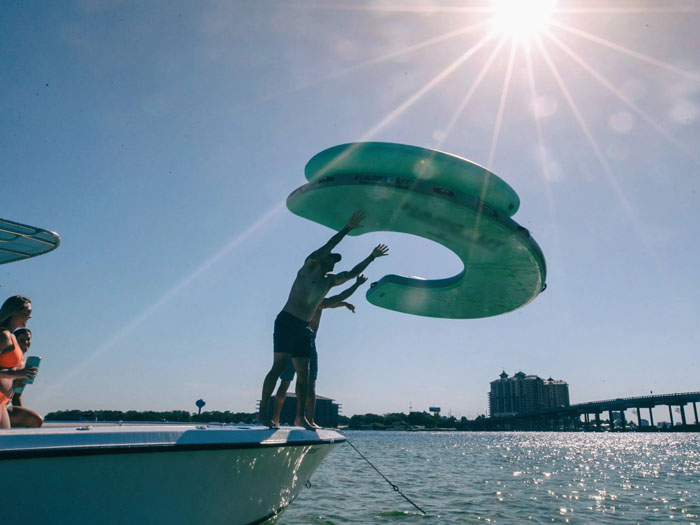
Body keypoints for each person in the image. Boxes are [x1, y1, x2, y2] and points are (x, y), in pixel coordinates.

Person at [258, 211, 388, 429]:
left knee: (305, 375)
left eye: (336, 262)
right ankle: (263, 413)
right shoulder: (308, 267)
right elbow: (327, 247)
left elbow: (351, 273)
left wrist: (372, 257)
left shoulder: (328, 281)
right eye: (332, 259)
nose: (334, 263)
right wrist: (347, 228)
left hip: (304, 328)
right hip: (287, 321)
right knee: (279, 366)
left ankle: (301, 417)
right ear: (322, 258)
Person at [272, 274, 367, 428]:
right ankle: (275, 418)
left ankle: (308, 419)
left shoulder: (321, 302)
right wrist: (349, 295)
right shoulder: (310, 301)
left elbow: (332, 302)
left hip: (310, 344)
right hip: (296, 340)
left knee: (311, 383)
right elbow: (333, 301)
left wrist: (345, 304)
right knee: (286, 381)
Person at [0, 296, 38, 429]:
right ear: (15, 311)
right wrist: (19, 373)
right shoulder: (3, 335)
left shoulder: (12, 337)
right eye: (27, 312)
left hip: (3, 400)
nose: (30, 316)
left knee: (5, 446)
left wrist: (20, 376)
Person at [8, 328, 43, 428]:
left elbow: (17, 395)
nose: (26, 342)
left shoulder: (24, 366)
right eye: (22, 340)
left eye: (28, 339)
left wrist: (20, 412)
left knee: (35, 421)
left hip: (9, 405)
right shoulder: (6, 359)